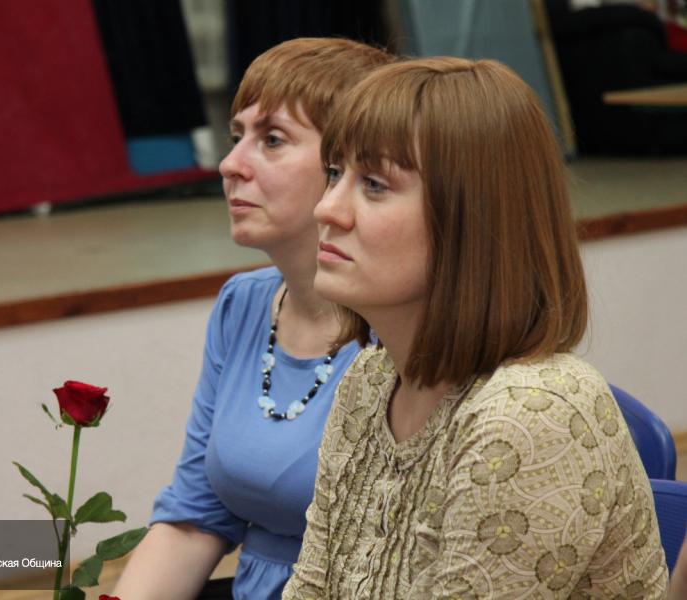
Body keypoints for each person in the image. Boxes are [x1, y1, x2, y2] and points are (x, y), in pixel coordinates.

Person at [282, 57, 669, 599]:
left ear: (471, 218)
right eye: (333, 173)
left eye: (373, 183)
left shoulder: (531, 414)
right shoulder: (371, 378)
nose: (327, 209)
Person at [112, 38, 393, 600]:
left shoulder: (405, 328)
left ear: (347, 167)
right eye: (236, 136)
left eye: (272, 140)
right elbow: (195, 518)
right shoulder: (243, 304)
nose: (230, 164)